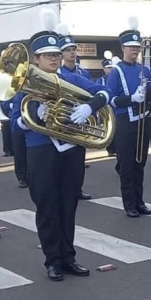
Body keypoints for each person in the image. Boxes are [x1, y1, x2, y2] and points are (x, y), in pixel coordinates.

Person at [10, 8, 113, 281]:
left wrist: (90, 107)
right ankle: (52, 260)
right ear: (35, 59)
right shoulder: (24, 85)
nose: (54, 58)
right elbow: (14, 125)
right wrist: (32, 118)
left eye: (56, 54)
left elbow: (105, 91)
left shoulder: (72, 79)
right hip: (41, 149)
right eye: (48, 55)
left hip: (71, 150)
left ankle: (69, 257)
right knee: (47, 208)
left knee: (68, 205)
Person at [106, 16, 151, 218]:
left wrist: (148, 95)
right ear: (123, 48)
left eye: (137, 47)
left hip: (144, 119)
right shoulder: (116, 71)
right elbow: (111, 99)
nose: (135, 50)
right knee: (127, 165)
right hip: (125, 122)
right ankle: (129, 204)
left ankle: (139, 201)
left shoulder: (145, 69)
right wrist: (132, 98)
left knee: (140, 163)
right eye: (131, 47)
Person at [56, 23, 92, 199]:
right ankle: (65, 188)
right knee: (64, 156)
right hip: (63, 116)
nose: (72, 53)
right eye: (67, 50)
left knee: (79, 157)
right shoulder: (57, 73)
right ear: (61, 54)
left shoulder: (84, 73)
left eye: (73, 49)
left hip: (81, 116)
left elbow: (90, 94)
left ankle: (77, 188)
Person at [97, 52, 117, 157]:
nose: (110, 69)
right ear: (104, 69)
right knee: (108, 128)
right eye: (108, 68)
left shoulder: (116, 77)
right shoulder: (100, 80)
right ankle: (110, 149)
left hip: (115, 107)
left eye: (112, 67)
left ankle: (117, 148)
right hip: (105, 108)